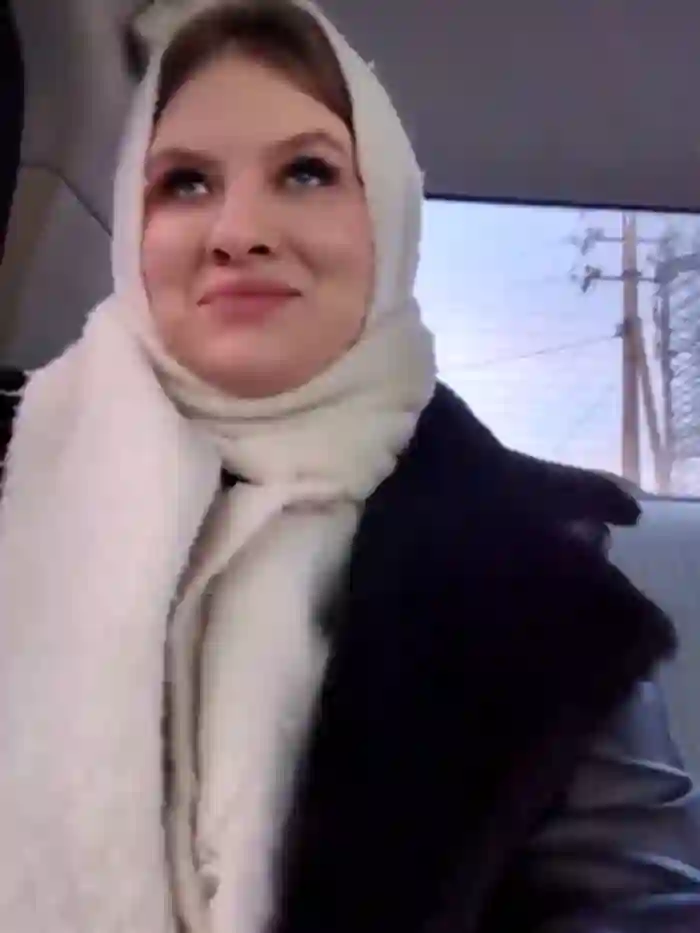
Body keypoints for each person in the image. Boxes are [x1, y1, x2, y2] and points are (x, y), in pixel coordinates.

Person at [0, 1, 698, 931]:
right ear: (133, 228)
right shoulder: (17, 487)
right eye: (187, 183)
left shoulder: (539, 580)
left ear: (388, 220)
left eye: (305, 172)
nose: (238, 231)